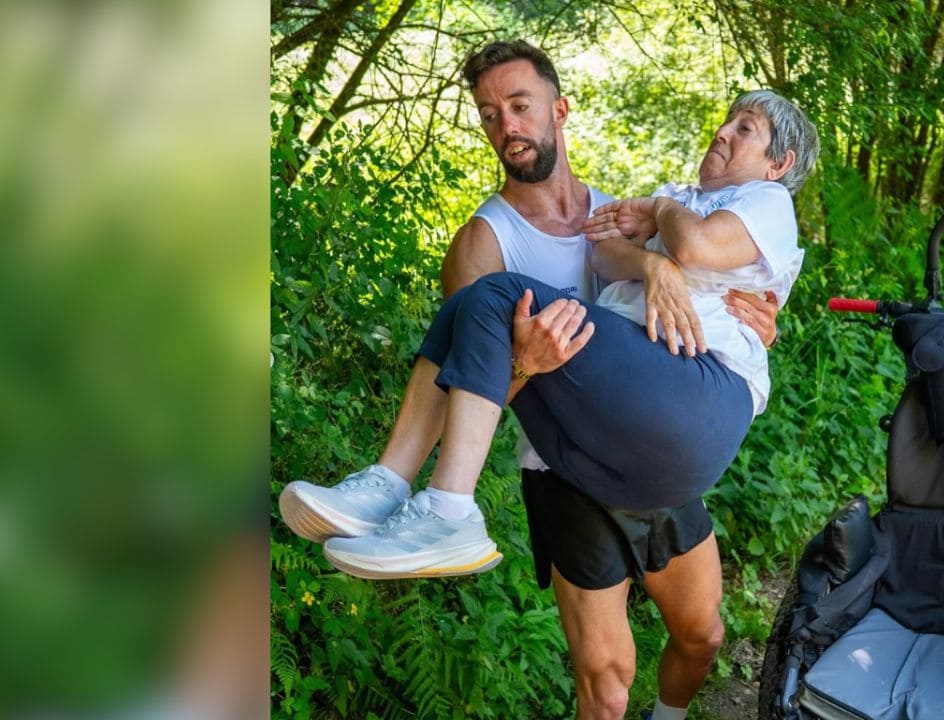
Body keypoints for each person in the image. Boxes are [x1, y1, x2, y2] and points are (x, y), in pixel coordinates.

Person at [278, 40, 815, 720]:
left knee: (703, 634)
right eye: (489, 113)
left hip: (654, 425)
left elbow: (710, 268)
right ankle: (411, 495)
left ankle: (409, 491)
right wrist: (526, 363)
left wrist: (677, 276)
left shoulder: (616, 211)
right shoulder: (483, 241)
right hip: (566, 466)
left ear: (559, 111)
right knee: (609, 686)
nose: (507, 126)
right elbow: (468, 395)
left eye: (520, 106)